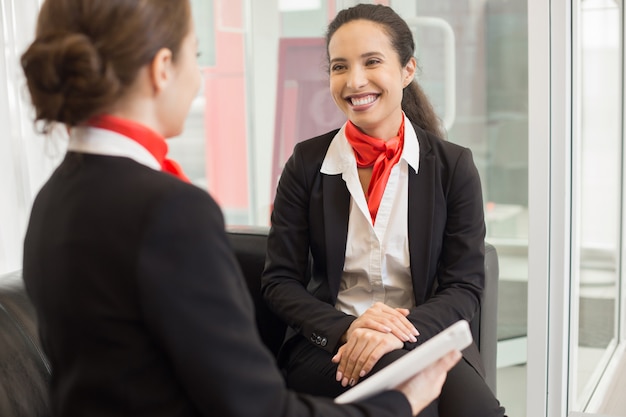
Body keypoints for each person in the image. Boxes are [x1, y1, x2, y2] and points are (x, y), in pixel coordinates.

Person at [19, 0, 461, 416]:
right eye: (197, 54)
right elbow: (257, 408)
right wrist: (401, 402)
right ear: (162, 69)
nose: (200, 76)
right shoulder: (169, 211)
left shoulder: (53, 200)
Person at [261, 4, 507, 417]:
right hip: (329, 345)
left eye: (372, 61)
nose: (355, 81)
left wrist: (397, 333)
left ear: (407, 70)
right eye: (340, 67)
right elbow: (279, 282)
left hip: (424, 336)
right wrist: (351, 329)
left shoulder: (453, 167)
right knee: (411, 394)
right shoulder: (306, 163)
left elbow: (464, 286)